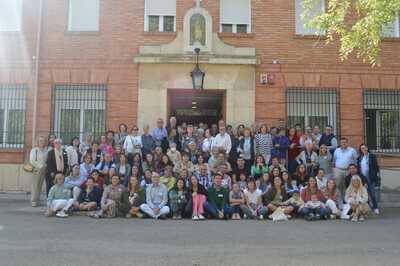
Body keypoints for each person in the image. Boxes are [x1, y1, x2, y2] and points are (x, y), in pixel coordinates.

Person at [333, 137, 358, 208]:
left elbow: (356, 161)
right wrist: (334, 169)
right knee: (338, 186)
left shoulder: (352, 150)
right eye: (342, 142)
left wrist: (354, 170)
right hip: (338, 170)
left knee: (348, 186)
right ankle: (339, 201)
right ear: (340, 143)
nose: (343, 143)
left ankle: (347, 202)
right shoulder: (336, 150)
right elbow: (334, 161)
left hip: (349, 170)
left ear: (347, 142)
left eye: (345, 142)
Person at [357, 143, 380, 214]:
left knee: (372, 193)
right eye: (361, 148)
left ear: (367, 148)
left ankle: (376, 207)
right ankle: (368, 207)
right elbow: (359, 168)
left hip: (370, 177)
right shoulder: (360, 157)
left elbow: (376, 167)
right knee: (364, 194)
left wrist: (375, 175)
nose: (363, 149)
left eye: (364, 148)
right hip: (363, 178)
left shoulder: (372, 156)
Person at [29, 135, 47, 207]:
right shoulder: (34, 150)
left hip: (44, 169)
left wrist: (45, 166)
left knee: (40, 185)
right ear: (38, 142)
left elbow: (46, 160)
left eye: (43, 141)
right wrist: (40, 166)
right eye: (40, 141)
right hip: (36, 169)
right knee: (35, 185)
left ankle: (38, 200)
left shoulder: (45, 150)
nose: (42, 142)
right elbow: (32, 161)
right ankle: (33, 200)